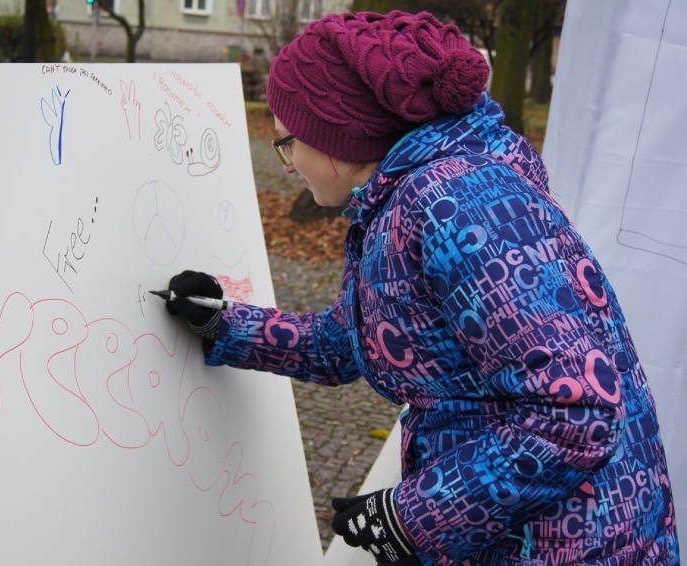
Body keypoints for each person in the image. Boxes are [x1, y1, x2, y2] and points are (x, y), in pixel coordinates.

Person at [163, 10, 680, 566]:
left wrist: (413, 518)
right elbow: (352, 340)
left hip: (566, 543)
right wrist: (225, 324)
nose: (287, 166)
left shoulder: (455, 204)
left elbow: (574, 413)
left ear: (338, 137)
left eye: (288, 142)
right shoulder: (406, 199)